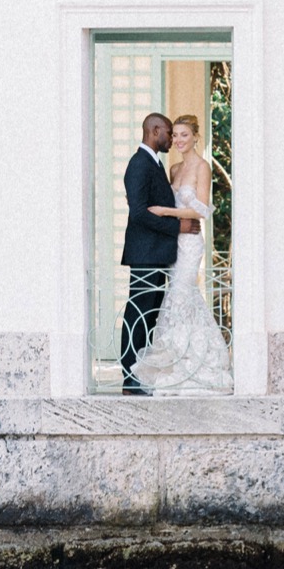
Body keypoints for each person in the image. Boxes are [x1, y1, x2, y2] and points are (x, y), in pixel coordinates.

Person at [132, 112, 233, 395]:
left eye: (183, 135)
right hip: (172, 242)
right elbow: (158, 198)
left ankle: (196, 361)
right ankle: (176, 359)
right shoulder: (173, 170)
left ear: (195, 137)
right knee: (174, 297)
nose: (177, 140)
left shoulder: (202, 168)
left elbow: (200, 210)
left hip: (190, 243)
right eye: (174, 135)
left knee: (181, 294)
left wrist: (167, 212)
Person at [120, 112, 180, 393]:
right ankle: (129, 375)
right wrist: (175, 227)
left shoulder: (153, 164)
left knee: (151, 315)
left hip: (156, 254)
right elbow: (138, 213)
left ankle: (141, 372)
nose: (170, 138)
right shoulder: (139, 164)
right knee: (138, 314)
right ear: (155, 131)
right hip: (145, 254)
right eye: (168, 132)